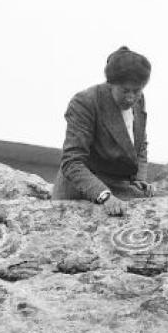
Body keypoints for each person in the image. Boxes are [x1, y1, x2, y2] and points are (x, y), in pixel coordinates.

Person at [52, 46, 156, 215]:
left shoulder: (138, 100)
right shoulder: (85, 102)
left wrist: (139, 179)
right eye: (124, 91)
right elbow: (72, 162)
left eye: (136, 91)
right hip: (82, 191)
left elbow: (140, 144)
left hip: (119, 184)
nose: (131, 97)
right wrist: (105, 197)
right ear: (110, 84)